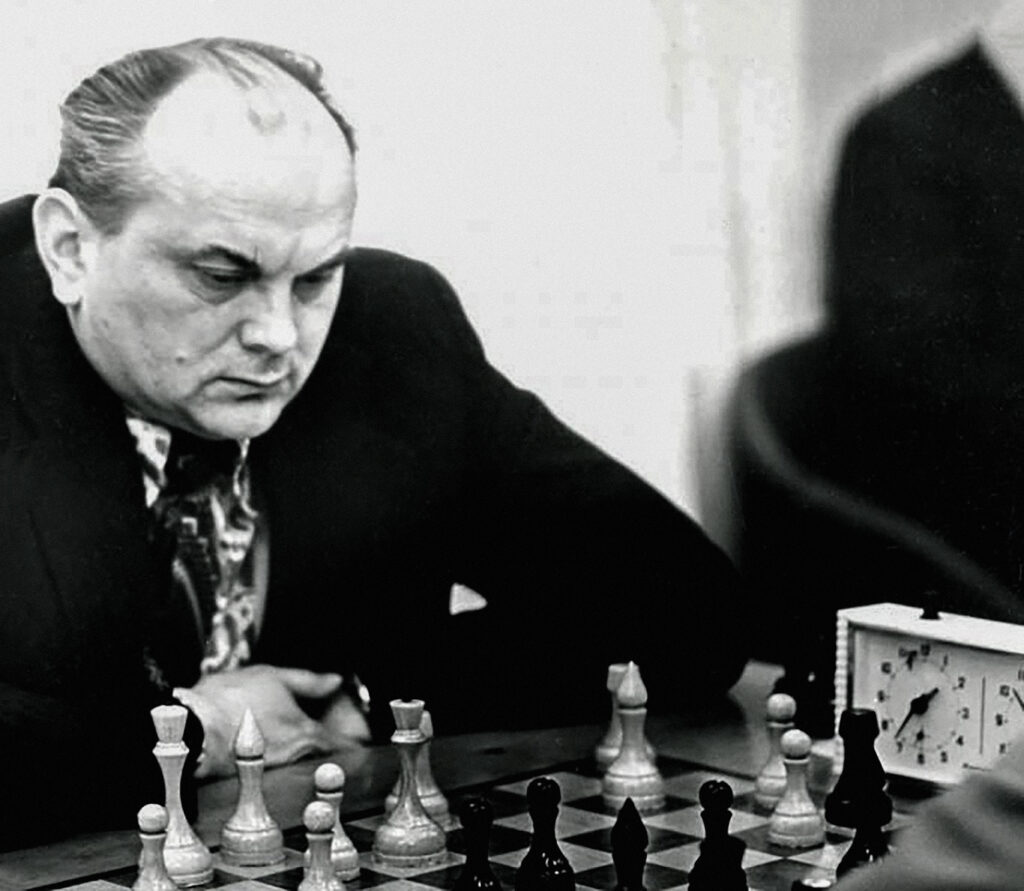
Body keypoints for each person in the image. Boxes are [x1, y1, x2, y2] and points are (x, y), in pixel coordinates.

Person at [0, 37, 747, 849]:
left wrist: (364, 695)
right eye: (220, 276)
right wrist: (195, 729)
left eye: (316, 277)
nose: (279, 335)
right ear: (69, 249)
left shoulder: (391, 333)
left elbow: (689, 607)